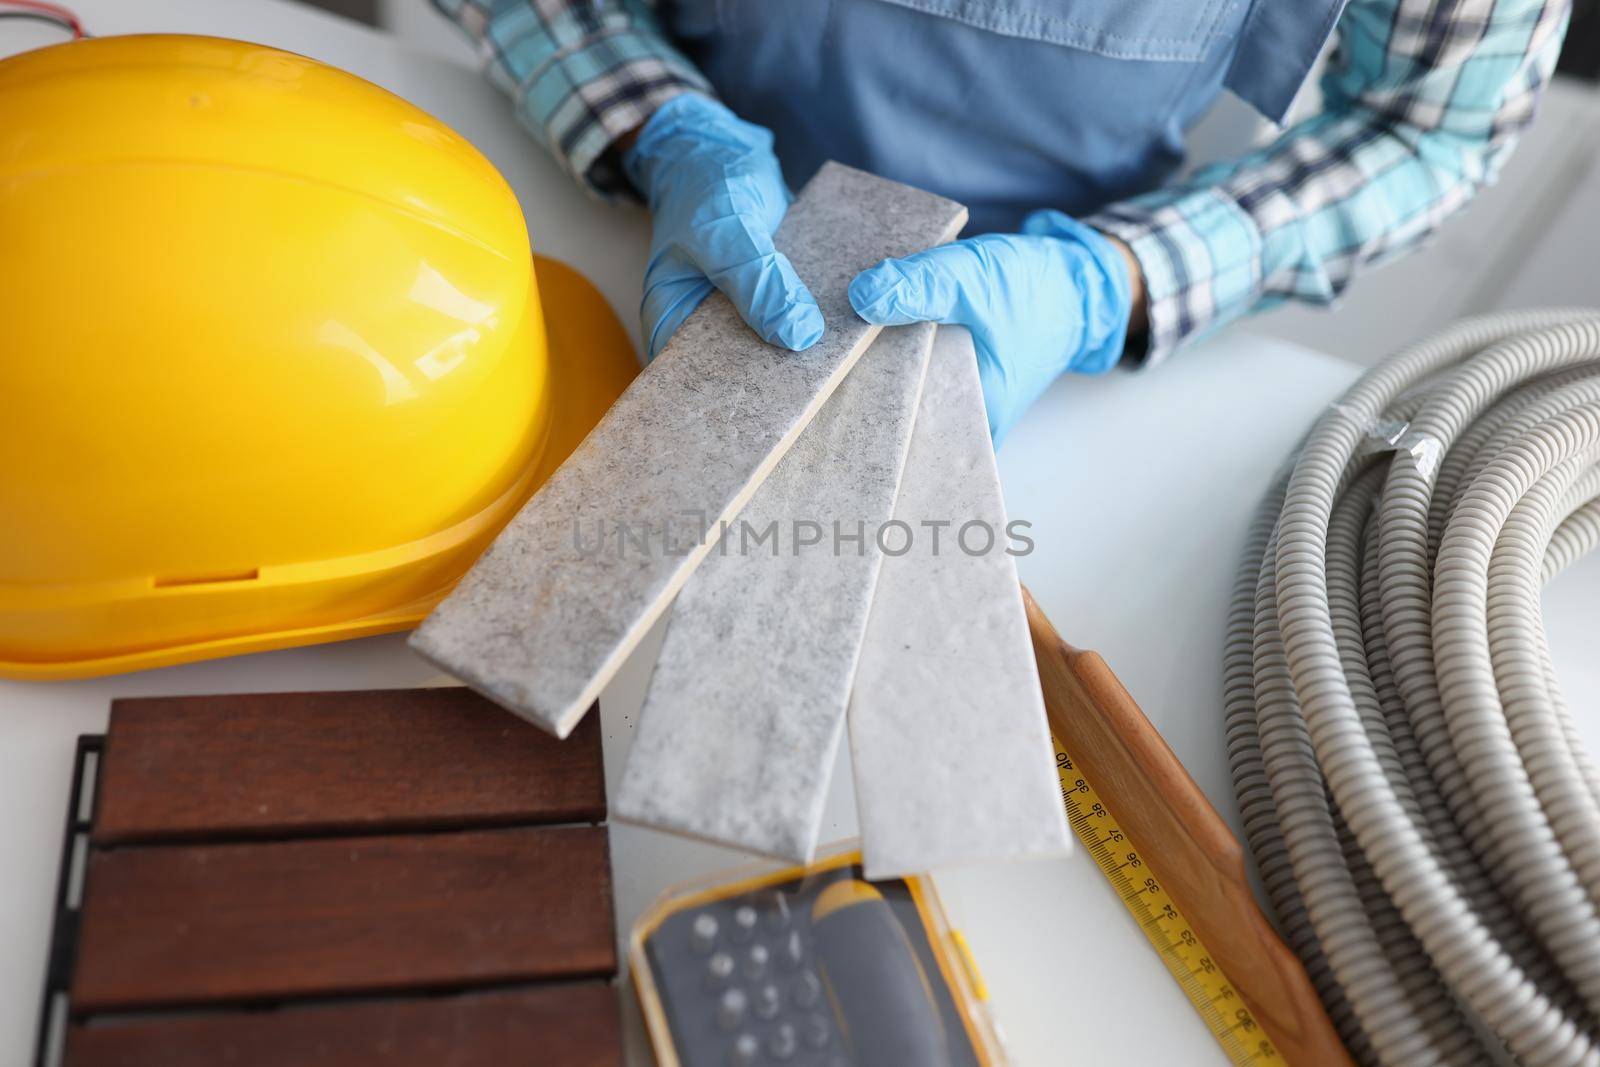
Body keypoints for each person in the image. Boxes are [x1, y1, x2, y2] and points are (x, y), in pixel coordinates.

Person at [433, 0, 1568, 440]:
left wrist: (1101, 287)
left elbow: (1431, 131)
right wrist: (657, 124)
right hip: (621, 203)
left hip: (1031, 344)